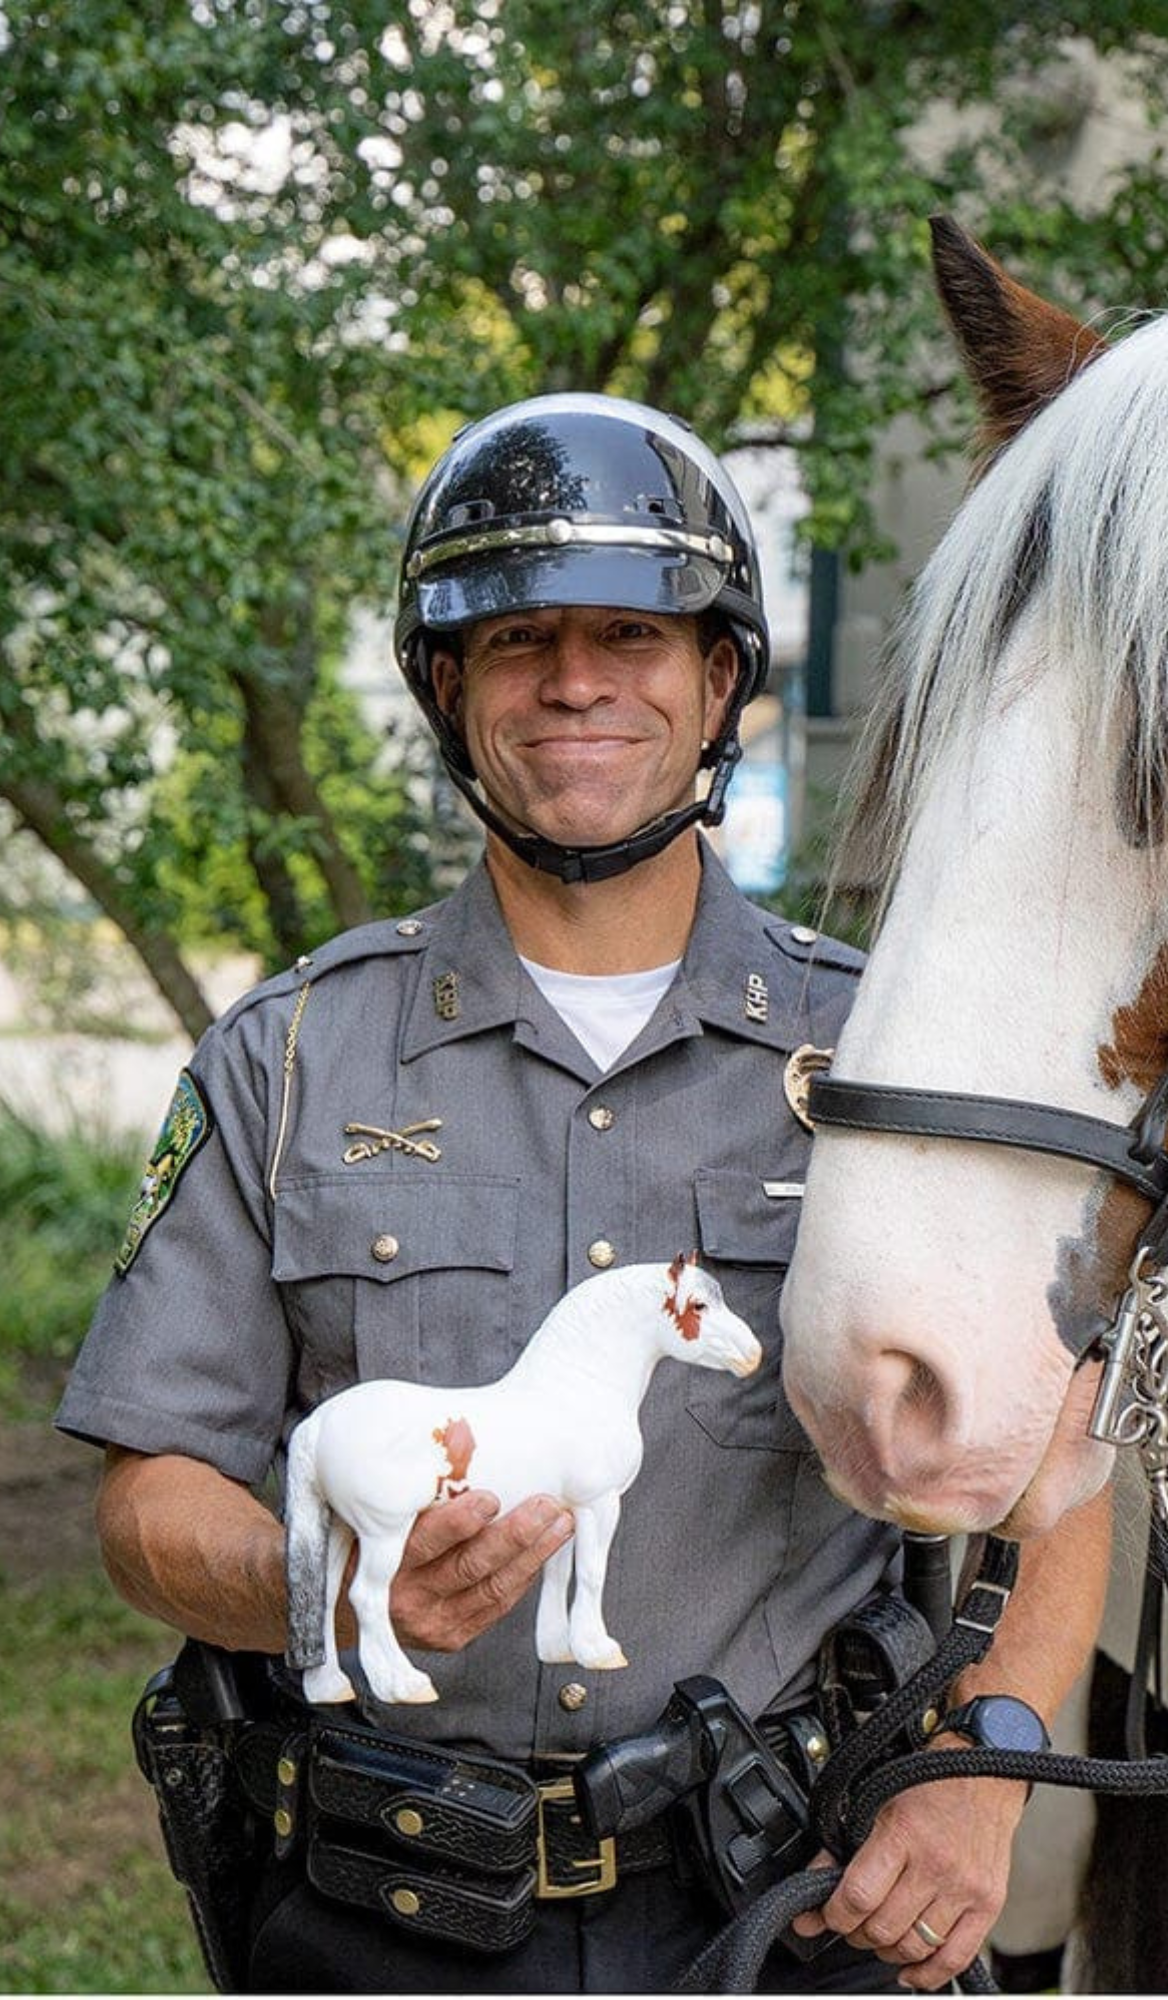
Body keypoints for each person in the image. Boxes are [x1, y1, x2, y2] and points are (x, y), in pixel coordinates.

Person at [57, 393, 1111, 1993]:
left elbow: (1069, 1466)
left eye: (633, 632)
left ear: (717, 685)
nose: (575, 682)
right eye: (517, 639)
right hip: (383, 1916)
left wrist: (984, 1769)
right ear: (446, 685)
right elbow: (149, 1507)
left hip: (793, 1910)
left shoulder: (891, 1053)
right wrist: (315, 1580)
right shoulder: (287, 1062)